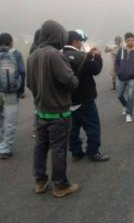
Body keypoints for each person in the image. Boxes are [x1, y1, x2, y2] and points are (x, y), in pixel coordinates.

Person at [27, 20, 80, 198]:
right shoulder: (56, 55)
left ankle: (40, 182)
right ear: (58, 36)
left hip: (40, 111)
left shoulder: (33, 55)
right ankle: (61, 185)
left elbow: (29, 84)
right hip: (58, 113)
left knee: (40, 147)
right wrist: (74, 77)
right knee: (58, 150)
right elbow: (71, 82)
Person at [63, 30, 109, 162]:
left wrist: (88, 55)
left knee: (73, 127)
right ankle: (93, 152)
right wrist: (97, 56)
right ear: (75, 41)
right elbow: (96, 69)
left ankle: (76, 151)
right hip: (84, 98)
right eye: (80, 41)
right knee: (93, 126)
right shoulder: (81, 56)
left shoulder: (59, 56)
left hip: (67, 99)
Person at [0, 33, 24, 159]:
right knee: (10, 120)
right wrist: (21, 91)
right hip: (11, 92)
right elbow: (22, 72)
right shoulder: (16, 54)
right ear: (10, 42)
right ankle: (5, 148)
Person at [115, 32, 134, 123]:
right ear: (125, 41)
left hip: (132, 78)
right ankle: (125, 106)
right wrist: (118, 71)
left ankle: (129, 114)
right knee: (119, 95)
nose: (130, 42)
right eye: (128, 40)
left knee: (130, 96)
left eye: (132, 40)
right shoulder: (121, 50)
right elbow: (116, 62)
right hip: (121, 77)